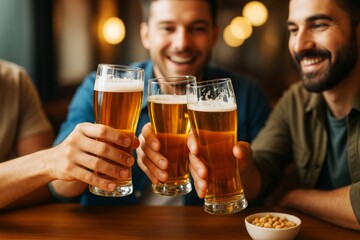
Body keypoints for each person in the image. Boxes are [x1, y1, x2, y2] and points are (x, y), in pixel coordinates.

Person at [52, 0, 270, 206]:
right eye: (167, 28)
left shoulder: (246, 94)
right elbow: (59, 186)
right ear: (145, 35)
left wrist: (240, 171)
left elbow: (265, 187)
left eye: (197, 28)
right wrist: (93, 156)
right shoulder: (99, 86)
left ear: (214, 35)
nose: (182, 43)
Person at [185, 0, 360, 230]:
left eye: (318, 25)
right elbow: (260, 169)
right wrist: (240, 171)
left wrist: (296, 197)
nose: (300, 44)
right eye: (293, 30)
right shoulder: (296, 101)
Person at [0, 59, 138, 210]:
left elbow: (43, 185)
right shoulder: (92, 85)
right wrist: (49, 161)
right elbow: (44, 172)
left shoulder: (15, 79)